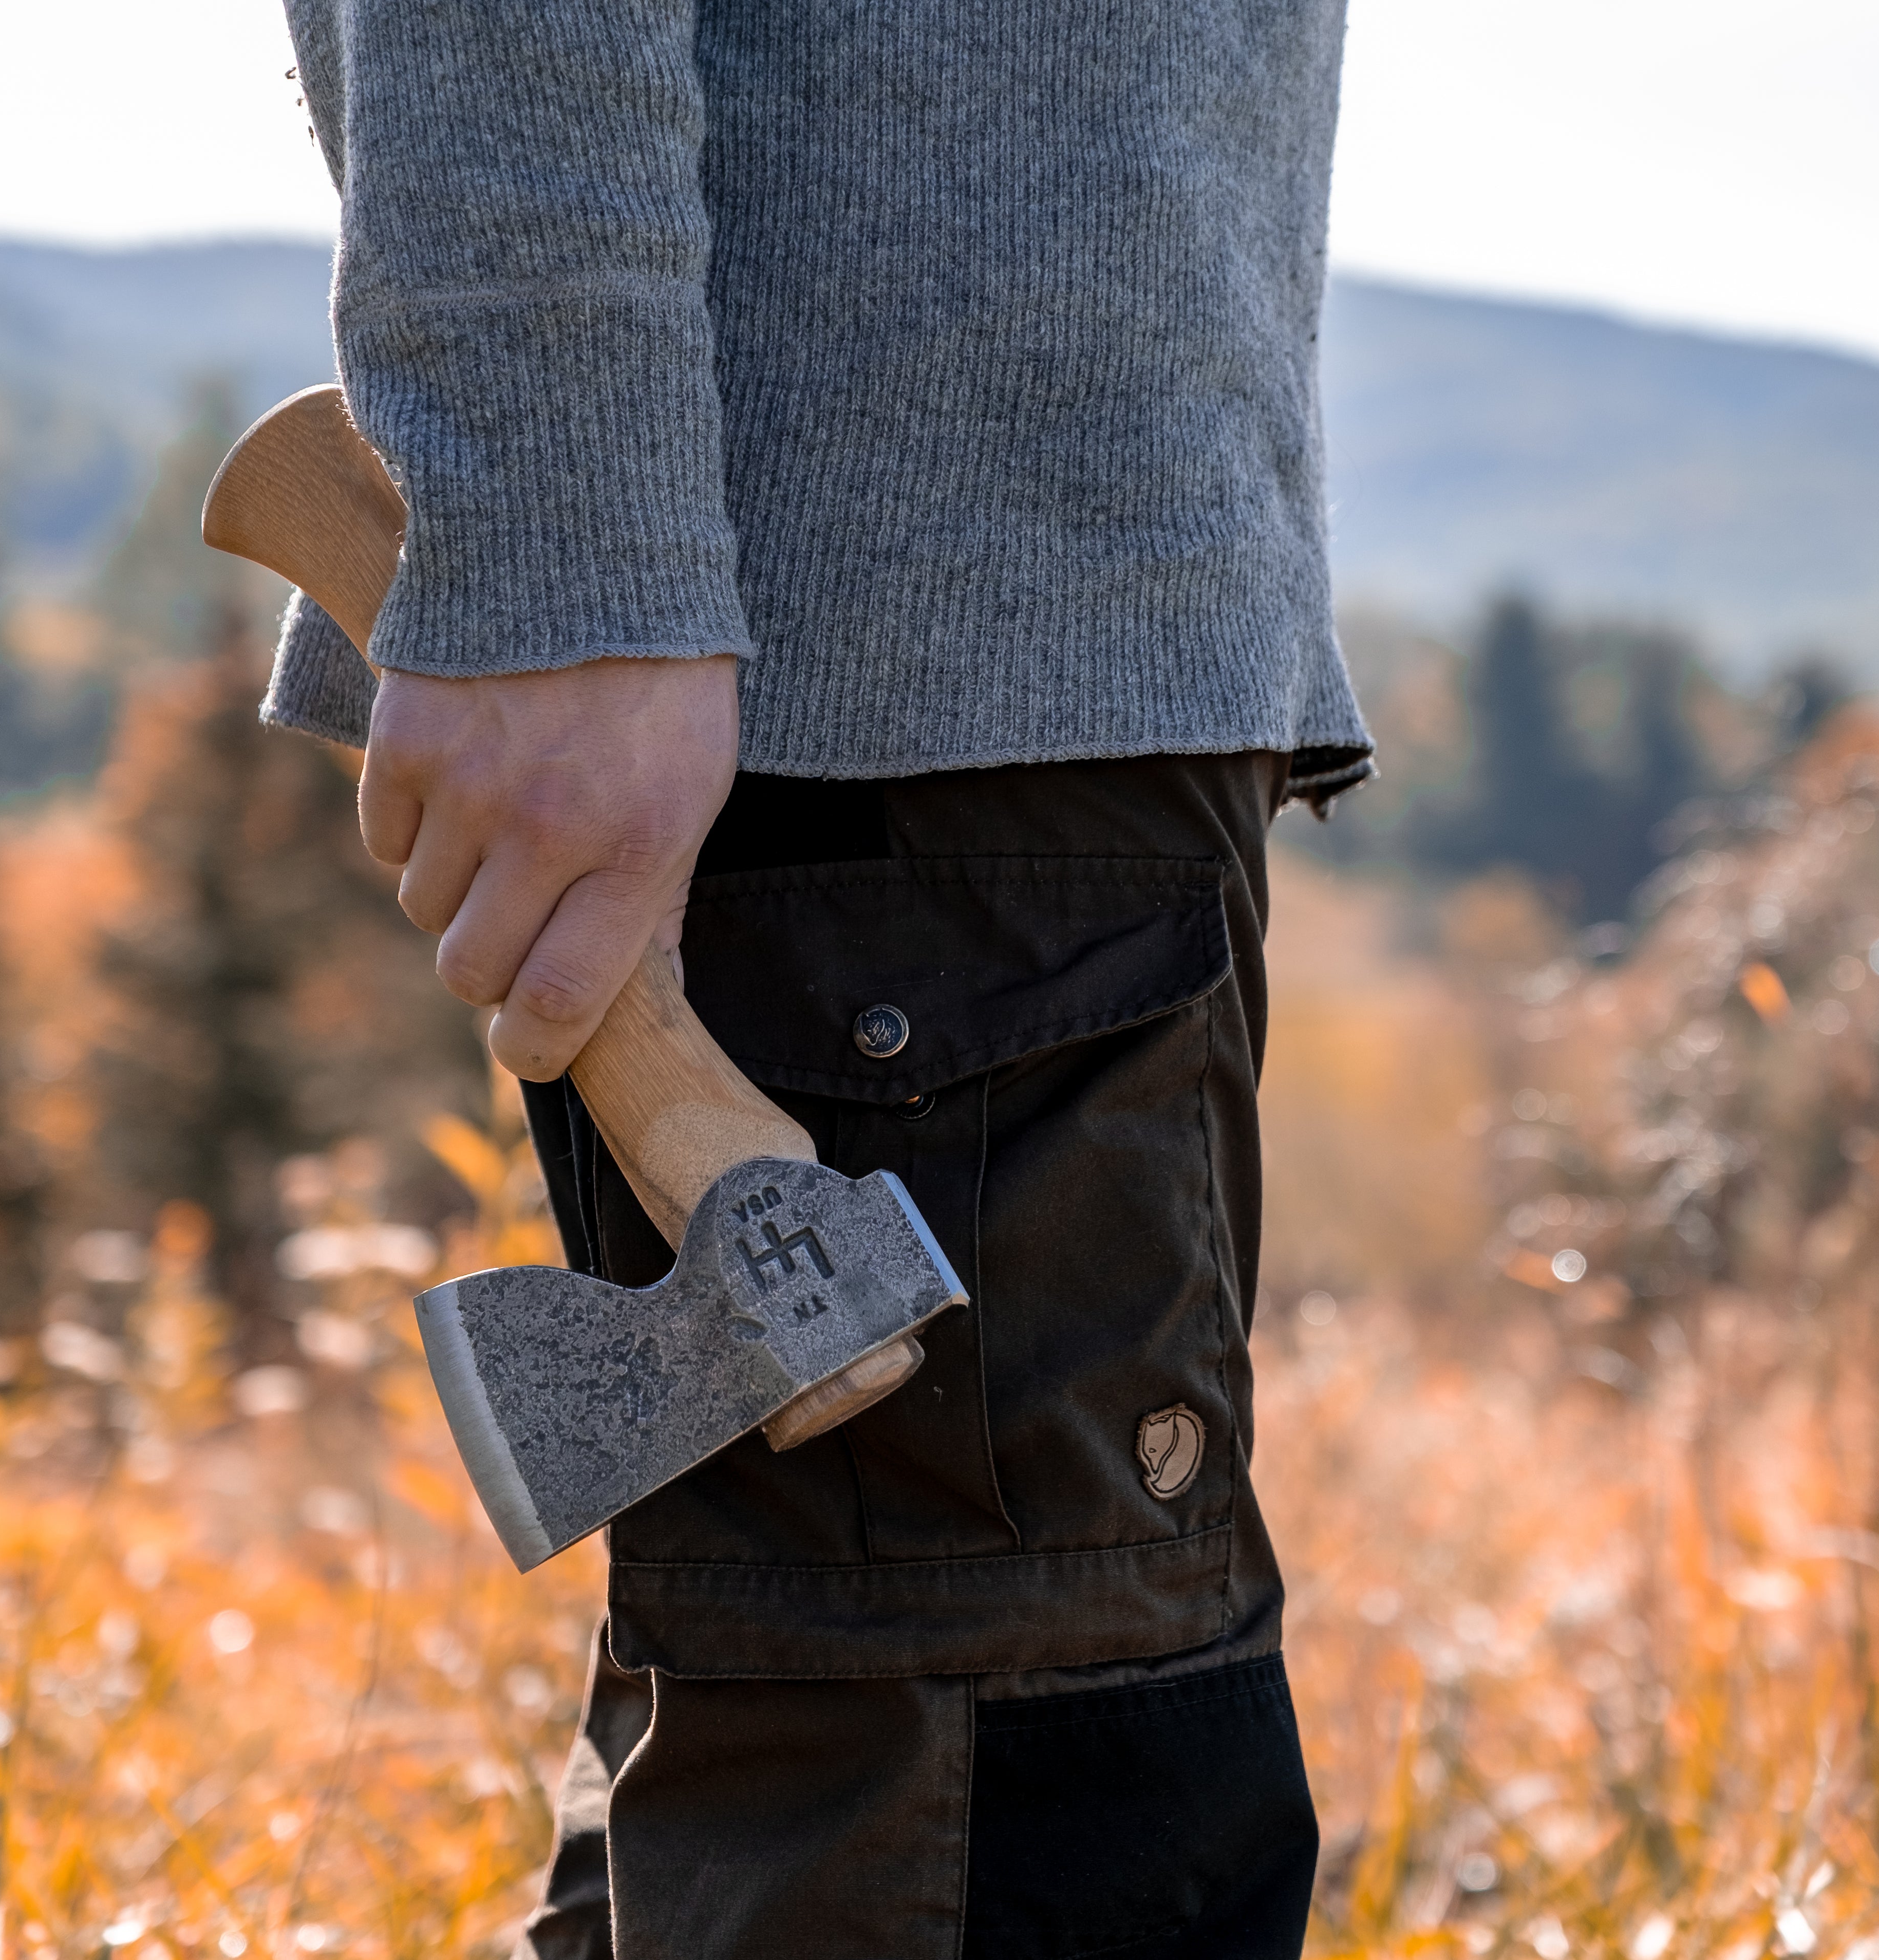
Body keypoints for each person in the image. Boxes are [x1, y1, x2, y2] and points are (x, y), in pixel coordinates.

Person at [261, 3, 1372, 1952]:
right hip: (895, 702)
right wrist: (559, 552)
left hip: (1056, 685)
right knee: (1016, 1821)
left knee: (901, 1793)